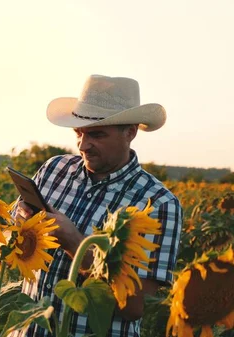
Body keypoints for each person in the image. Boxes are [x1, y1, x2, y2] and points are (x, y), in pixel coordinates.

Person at [10, 75, 182, 337]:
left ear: (130, 132)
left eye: (96, 135)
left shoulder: (158, 204)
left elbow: (135, 306)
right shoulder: (54, 169)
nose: (82, 145)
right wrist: (21, 224)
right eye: (78, 133)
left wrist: (73, 242)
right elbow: (11, 239)